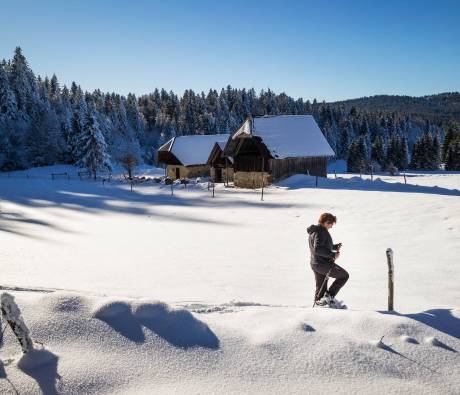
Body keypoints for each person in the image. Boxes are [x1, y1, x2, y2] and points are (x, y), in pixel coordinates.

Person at [307, 213, 349, 308]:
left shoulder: (314, 231)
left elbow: (321, 246)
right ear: (326, 222)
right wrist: (332, 254)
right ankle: (328, 297)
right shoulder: (321, 232)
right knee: (344, 276)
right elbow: (317, 249)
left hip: (315, 263)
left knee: (321, 288)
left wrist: (334, 247)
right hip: (322, 264)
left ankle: (319, 306)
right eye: (331, 224)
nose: (331, 227)